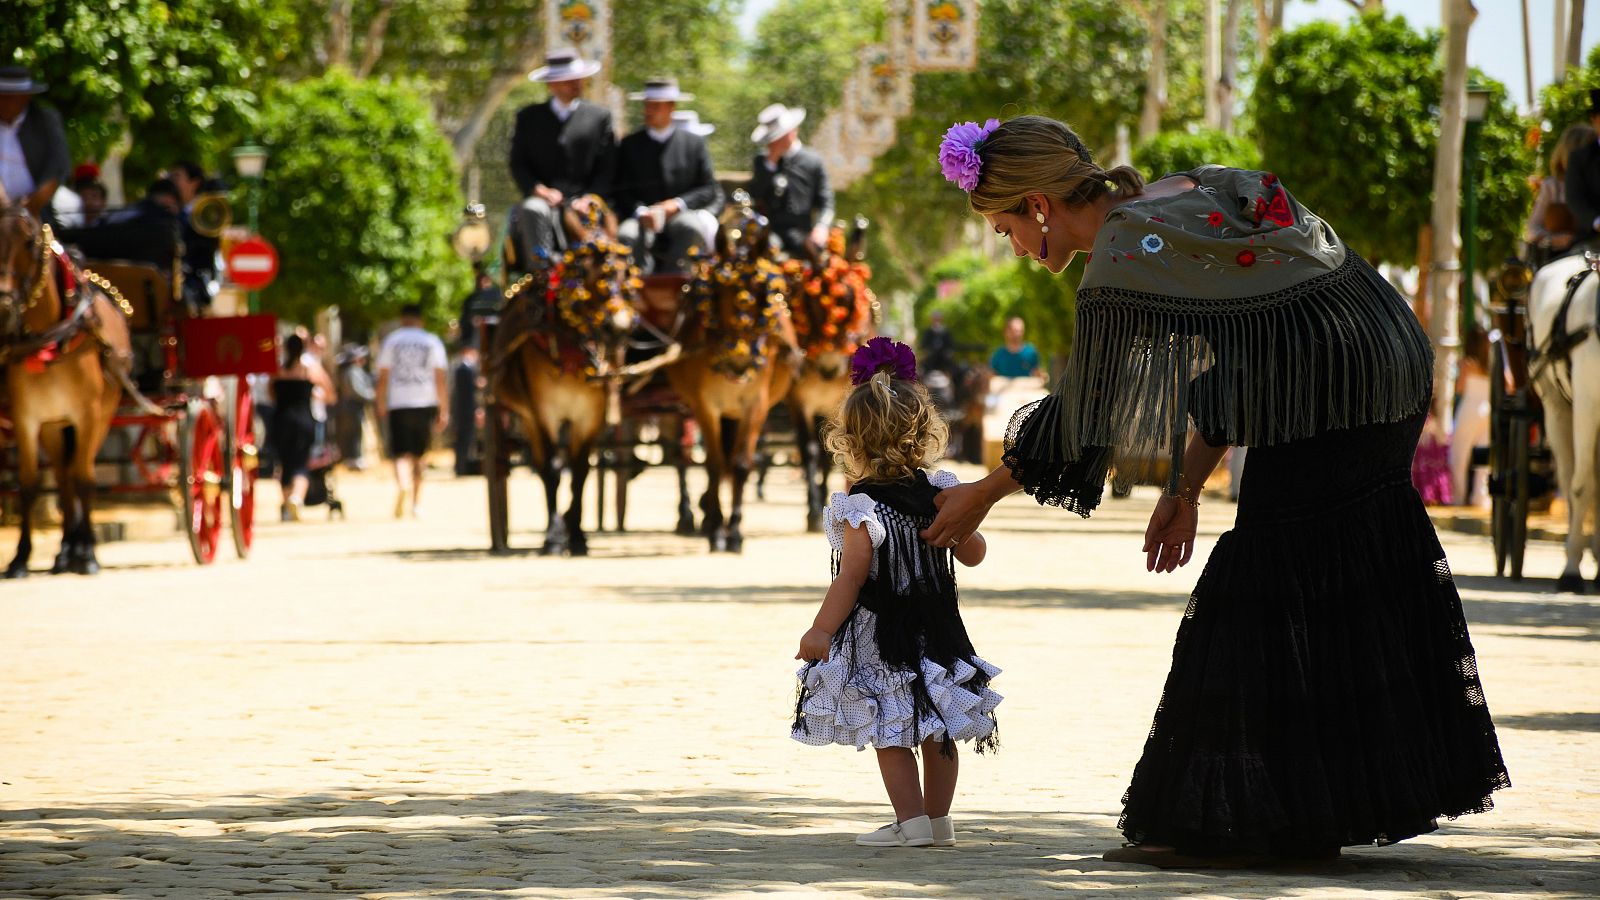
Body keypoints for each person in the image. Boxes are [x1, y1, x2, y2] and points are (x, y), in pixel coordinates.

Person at [923, 115, 1508, 867]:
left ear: (1039, 206)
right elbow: (1255, 350)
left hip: (1335, 380)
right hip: (1389, 357)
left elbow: (1085, 413)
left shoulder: (1121, 253)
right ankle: (1311, 813)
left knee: (1262, 571)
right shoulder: (1173, 196)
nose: (1010, 247)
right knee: (1329, 560)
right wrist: (1186, 486)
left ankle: (1223, 819)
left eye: (1005, 228)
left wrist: (983, 492)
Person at [792, 338, 1001, 849]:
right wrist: (957, 531)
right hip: (940, 626)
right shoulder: (942, 493)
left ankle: (910, 825)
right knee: (938, 724)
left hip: (882, 632)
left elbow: (853, 576)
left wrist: (821, 630)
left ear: (851, 443)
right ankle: (939, 822)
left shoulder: (859, 506)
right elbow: (973, 553)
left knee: (890, 724)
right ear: (922, 434)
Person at [508, 49, 616, 271]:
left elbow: (608, 167)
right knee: (532, 209)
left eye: (578, 78)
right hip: (546, 200)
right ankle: (542, 275)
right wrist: (539, 190)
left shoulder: (599, 117)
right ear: (552, 85)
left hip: (587, 202)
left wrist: (590, 198)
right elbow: (518, 163)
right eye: (569, 80)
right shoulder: (529, 117)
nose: (576, 84)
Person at [612, 77, 723, 274]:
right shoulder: (630, 144)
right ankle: (634, 290)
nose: (648, 111)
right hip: (641, 216)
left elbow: (707, 188)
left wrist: (677, 204)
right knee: (627, 235)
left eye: (655, 106)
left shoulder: (693, 144)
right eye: (647, 106)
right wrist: (640, 211)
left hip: (680, 214)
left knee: (692, 229)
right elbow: (620, 189)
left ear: (671, 107)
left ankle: (676, 288)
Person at [376, 304, 448, 518]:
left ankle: (403, 484)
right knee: (420, 455)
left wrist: (380, 401)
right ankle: (416, 503)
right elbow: (439, 378)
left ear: (402, 318)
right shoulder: (431, 341)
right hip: (425, 401)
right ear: (420, 319)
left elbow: (383, 377)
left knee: (399, 453)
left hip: (398, 402)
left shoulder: (392, 340)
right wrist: (444, 407)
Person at [747, 103, 834, 260]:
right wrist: (770, 163)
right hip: (770, 229)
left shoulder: (812, 161)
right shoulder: (762, 161)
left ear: (793, 132)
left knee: (818, 255)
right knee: (763, 250)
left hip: (801, 230)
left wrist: (821, 227)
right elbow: (755, 195)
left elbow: (826, 201)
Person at [271, 334, 336, 522]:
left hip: (281, 419)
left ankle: (285, 506)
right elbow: (330, 393)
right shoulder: (310, 369)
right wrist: (319, 397)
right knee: (301, 462)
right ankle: (296, 498)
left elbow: (270, 393)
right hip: (304, 420)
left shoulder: (278, 370)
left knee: (284, 463)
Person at [0, 67, 69, 222]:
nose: (3, 103)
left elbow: (58, 167)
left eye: (9, 98)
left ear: (25, 97)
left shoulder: (45, 121)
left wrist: (33, 203)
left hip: (35, 212)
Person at [1526, 123, 1595, 263]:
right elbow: (1532, 229)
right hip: (1557, 258)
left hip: (1593, 254)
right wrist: (1551, 239)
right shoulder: (1552, 186)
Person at [1450, 326, 1491, 506]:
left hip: (1470, 408)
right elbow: (1509, 384)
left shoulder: (1468, 363)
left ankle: (1457, 497)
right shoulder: (1491, 364)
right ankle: (1480, 498)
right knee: (1484, 458)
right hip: (1487, 408)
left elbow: (1459, 388)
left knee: (1458, 456)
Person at [1564, 90, 1600, 250]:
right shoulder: (1580, 158)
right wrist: (1596, 221)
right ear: (1594, 120)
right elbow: (1575, 198)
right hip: (1593, 240)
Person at [334, 344, 376, 469]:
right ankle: (354, 459)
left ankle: (353, 458)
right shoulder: (352, 371)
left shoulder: (352, 371)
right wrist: (372, 396)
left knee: (354, 433)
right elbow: (357, 391)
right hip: (352, 406)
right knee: (354, 433)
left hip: (351, 406)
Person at [451, 344, 482, 476]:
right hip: (466, 410)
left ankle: (462, 467)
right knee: (464, 440)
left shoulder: (463, 369)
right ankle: (462, 467)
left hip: (462, 410)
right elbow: (469, 393)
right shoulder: (465, 369)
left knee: (464, 440)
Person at [458, 270, 502, 345]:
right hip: (475, 336)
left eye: (486, 281)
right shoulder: (470, 299)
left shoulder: (497, 296)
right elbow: (464, 318)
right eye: (481, 281)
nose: (483, 284)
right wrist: (473, 320)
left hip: (496, 331)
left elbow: (501, 312)